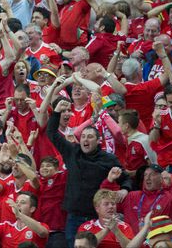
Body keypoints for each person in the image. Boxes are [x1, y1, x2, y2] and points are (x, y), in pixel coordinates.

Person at [47, 97, 132, 247]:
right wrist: (56, 112)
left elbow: (125, 178)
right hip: (74, 215)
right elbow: (52, 133)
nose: (85, 139)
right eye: (83, 137)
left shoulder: (109, 159)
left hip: (96, 216)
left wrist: (125, 189)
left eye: (90, 136)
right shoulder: (72, 151)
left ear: (98, 141)